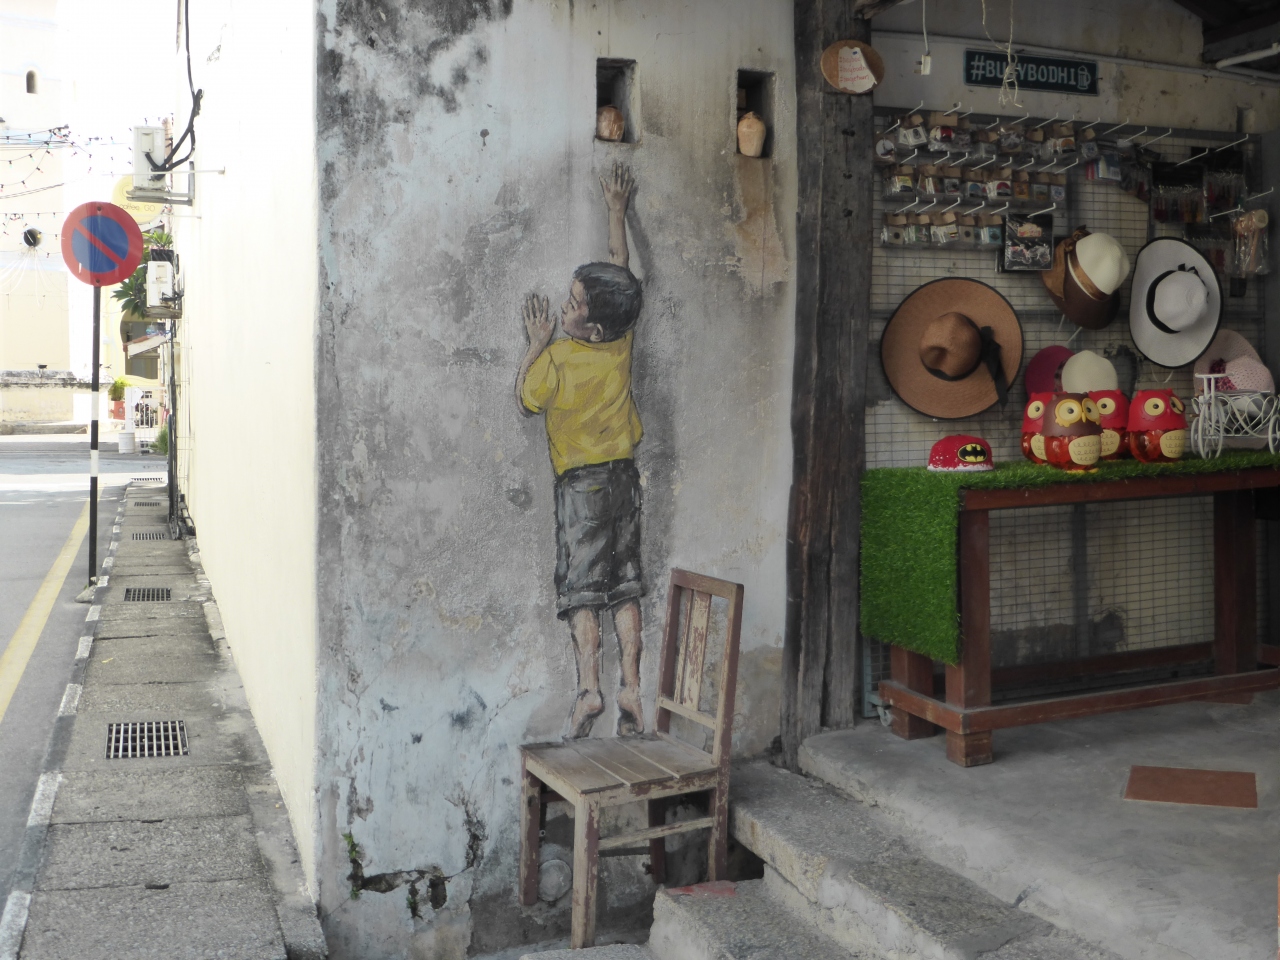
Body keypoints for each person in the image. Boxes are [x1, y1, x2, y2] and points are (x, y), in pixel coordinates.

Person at [516, 162, 646, 739]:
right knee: (627, 585)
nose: (565, 308)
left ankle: (591, 689)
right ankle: (634, 690)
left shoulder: (561, 357)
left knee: (582, 594)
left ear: (588, 327)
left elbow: (525, 399)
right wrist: (616, 208)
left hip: (581, 487)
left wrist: (534, 344)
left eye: (572, 304)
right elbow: (621, 272)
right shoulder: (620, 342)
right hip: (625, 478)